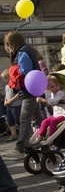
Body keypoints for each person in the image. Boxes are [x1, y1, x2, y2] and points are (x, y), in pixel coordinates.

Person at [1, 30, 43, 160]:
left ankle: (20, 147)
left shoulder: (22, 52)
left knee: (25, 118)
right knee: (36, 116)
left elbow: (26, 71)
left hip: (28, 91)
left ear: (11, 43)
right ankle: (42, 138)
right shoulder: (27, 49)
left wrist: (14, 70)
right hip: (33, 89)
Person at [30, 75, 65, 144]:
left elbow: (55, 101)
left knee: (53, 122)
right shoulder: (52, 94)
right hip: (57, 114)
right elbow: (51, 102)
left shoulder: (61, 93)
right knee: (44, 122)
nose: (55, 88)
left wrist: (43, 100)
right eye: (52, 87)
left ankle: (50, 138)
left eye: (56, 85)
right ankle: (40, 137)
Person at [2, 69, 21, 142]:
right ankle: (14, 134)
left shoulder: (14, 85)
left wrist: (11, 101)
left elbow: (18, 94)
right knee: (10, 120)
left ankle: (24, 133)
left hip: (16, 105)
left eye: (6, 78)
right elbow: (6, 95)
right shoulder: (7, 86)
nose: (4, 80)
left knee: (17, 119)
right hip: (9, 106)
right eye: (4, 78)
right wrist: (5, 101)